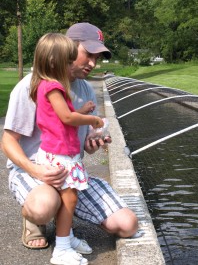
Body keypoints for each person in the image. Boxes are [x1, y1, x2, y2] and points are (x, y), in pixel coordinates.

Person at [1, 22, 138, 254]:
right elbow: (8, 140)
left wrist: (93, 143)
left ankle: (64, 215)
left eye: (98, 57)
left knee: (127, 225)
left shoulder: (85, 89)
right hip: (33, 170)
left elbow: (80, 141)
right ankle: (34, 217)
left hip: (70, 170)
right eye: (88, 54)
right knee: (44, 206)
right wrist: (36, 171)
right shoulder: (32, 86)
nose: (93, 63)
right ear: (68, 47)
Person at [30, 33, 105, 265]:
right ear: (55, 62)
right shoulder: (53, 87)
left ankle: (67, 237)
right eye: (69, 60)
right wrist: (93, 120)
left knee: (68, 199)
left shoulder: (47, 85)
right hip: (61, 154)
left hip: (60, 151)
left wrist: (83, 111)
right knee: (70, 199)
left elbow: (58, 118)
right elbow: (66, 117)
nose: (73, 65)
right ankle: (61, 249)